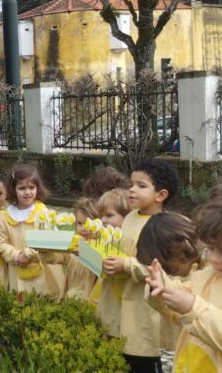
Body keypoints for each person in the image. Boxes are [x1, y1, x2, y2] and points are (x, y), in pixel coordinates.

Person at [146, 195, 222, 372]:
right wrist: (162, 287)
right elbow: (182, 295)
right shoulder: (209, 276)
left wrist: (193, 308)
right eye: (210, 248)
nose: (213, 258)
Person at [102, 158, 180, 372]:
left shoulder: (163, 228)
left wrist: (127, 265)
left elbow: (161, 270)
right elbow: (121, 250)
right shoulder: (129, 218)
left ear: (161, 195)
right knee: (120, 356)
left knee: (141, 357)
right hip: (119, 299)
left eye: (141, 186)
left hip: (143, 307)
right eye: (131, 184)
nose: (132, 190)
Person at [135, 212, 200, 352]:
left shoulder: (207, 274)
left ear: (182, 251)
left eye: (170, 268)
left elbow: (185, 290)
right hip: (177, 346)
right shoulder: (168, 275)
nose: (168, 273)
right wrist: (156, 289)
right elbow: (161, 305)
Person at [0, 164, 53, 294]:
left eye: (31, 187)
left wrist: (27, 254)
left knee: (41, 299)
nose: (27, 192)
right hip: (16, 269)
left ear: (37, 188)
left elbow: (47, 239)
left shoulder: (42, 212)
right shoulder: (5, 216)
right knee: (19, 301)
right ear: (13, 189)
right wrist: (17, 256)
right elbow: (1, 243)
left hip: (41, 270)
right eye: (22, 188)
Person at [95, 188, 132, 338]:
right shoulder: (107, 238)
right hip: (107, 299)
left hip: (125, 305)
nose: (103, 220)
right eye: (101, 216)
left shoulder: (129, 240)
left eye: (109, 215)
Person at [64, 197, 99, 300]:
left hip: (88, 299)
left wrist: (85, 251)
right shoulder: (76, 243)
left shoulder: (100, 247)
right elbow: (63, 256)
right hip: (72, 296)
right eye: (80, 223)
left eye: (88, 224)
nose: (84, 228)